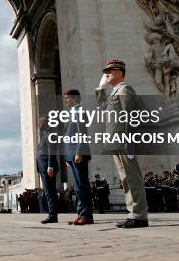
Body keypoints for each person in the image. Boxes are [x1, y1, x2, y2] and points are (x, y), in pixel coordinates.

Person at [96, 59, 148, 228]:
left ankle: (139, 215)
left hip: (124, 140)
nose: (106, 74)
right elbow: (103, 109)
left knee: (132, 178)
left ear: (119, 72)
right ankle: (132, 213)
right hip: (115, 141)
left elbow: (131, 117)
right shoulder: (114, 92)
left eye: (109, 71)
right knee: (125, 179)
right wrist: (100, 89)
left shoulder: (125, 89)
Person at [60, 89, 94, 225]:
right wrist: (68, 157)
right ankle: (81, 214)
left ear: (74, 98)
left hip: (78, 153)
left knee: (82, 185)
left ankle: (87, 216)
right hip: (71, 154)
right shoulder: (72, 113)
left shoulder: (79, 112)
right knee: (77, 186)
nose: (65, 100)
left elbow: (82, 133)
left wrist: (79, 152)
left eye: (67, 98)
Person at [36, 116, 59, 223]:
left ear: (45, 123)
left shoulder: (50, 135)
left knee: (50, 192)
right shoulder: (45, 135)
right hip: (43, 168)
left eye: (40, 123)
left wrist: (50, 166)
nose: (38, 125)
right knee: (48, 191)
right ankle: (52, 214)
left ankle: (52, 216)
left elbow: (51, 151)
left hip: (47, 168)